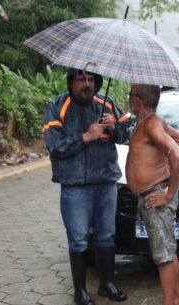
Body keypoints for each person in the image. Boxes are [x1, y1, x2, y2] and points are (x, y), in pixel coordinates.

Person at [42, 69, 130, 305]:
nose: (87, 85)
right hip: (75, 186)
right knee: (79, 240)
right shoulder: (57, 106)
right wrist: (85, 137)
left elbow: (127, 134)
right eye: (81, 79)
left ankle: (107, 284)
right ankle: (80, 292)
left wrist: (114, 129)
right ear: (71, 82)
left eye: (91, 80)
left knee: (106, 236)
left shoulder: (106, 103)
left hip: (105, 182)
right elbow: (54, 144)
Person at [125, 84, 179, 305]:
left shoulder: (151, 123)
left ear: (138, 100)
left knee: (164, 258)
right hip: (152, 194)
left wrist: (168, 194)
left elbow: (178, 155)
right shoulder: (151, 121)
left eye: (130, 95)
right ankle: (177, 301)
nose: (129, 99)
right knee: (167, 254)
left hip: (156, 197)